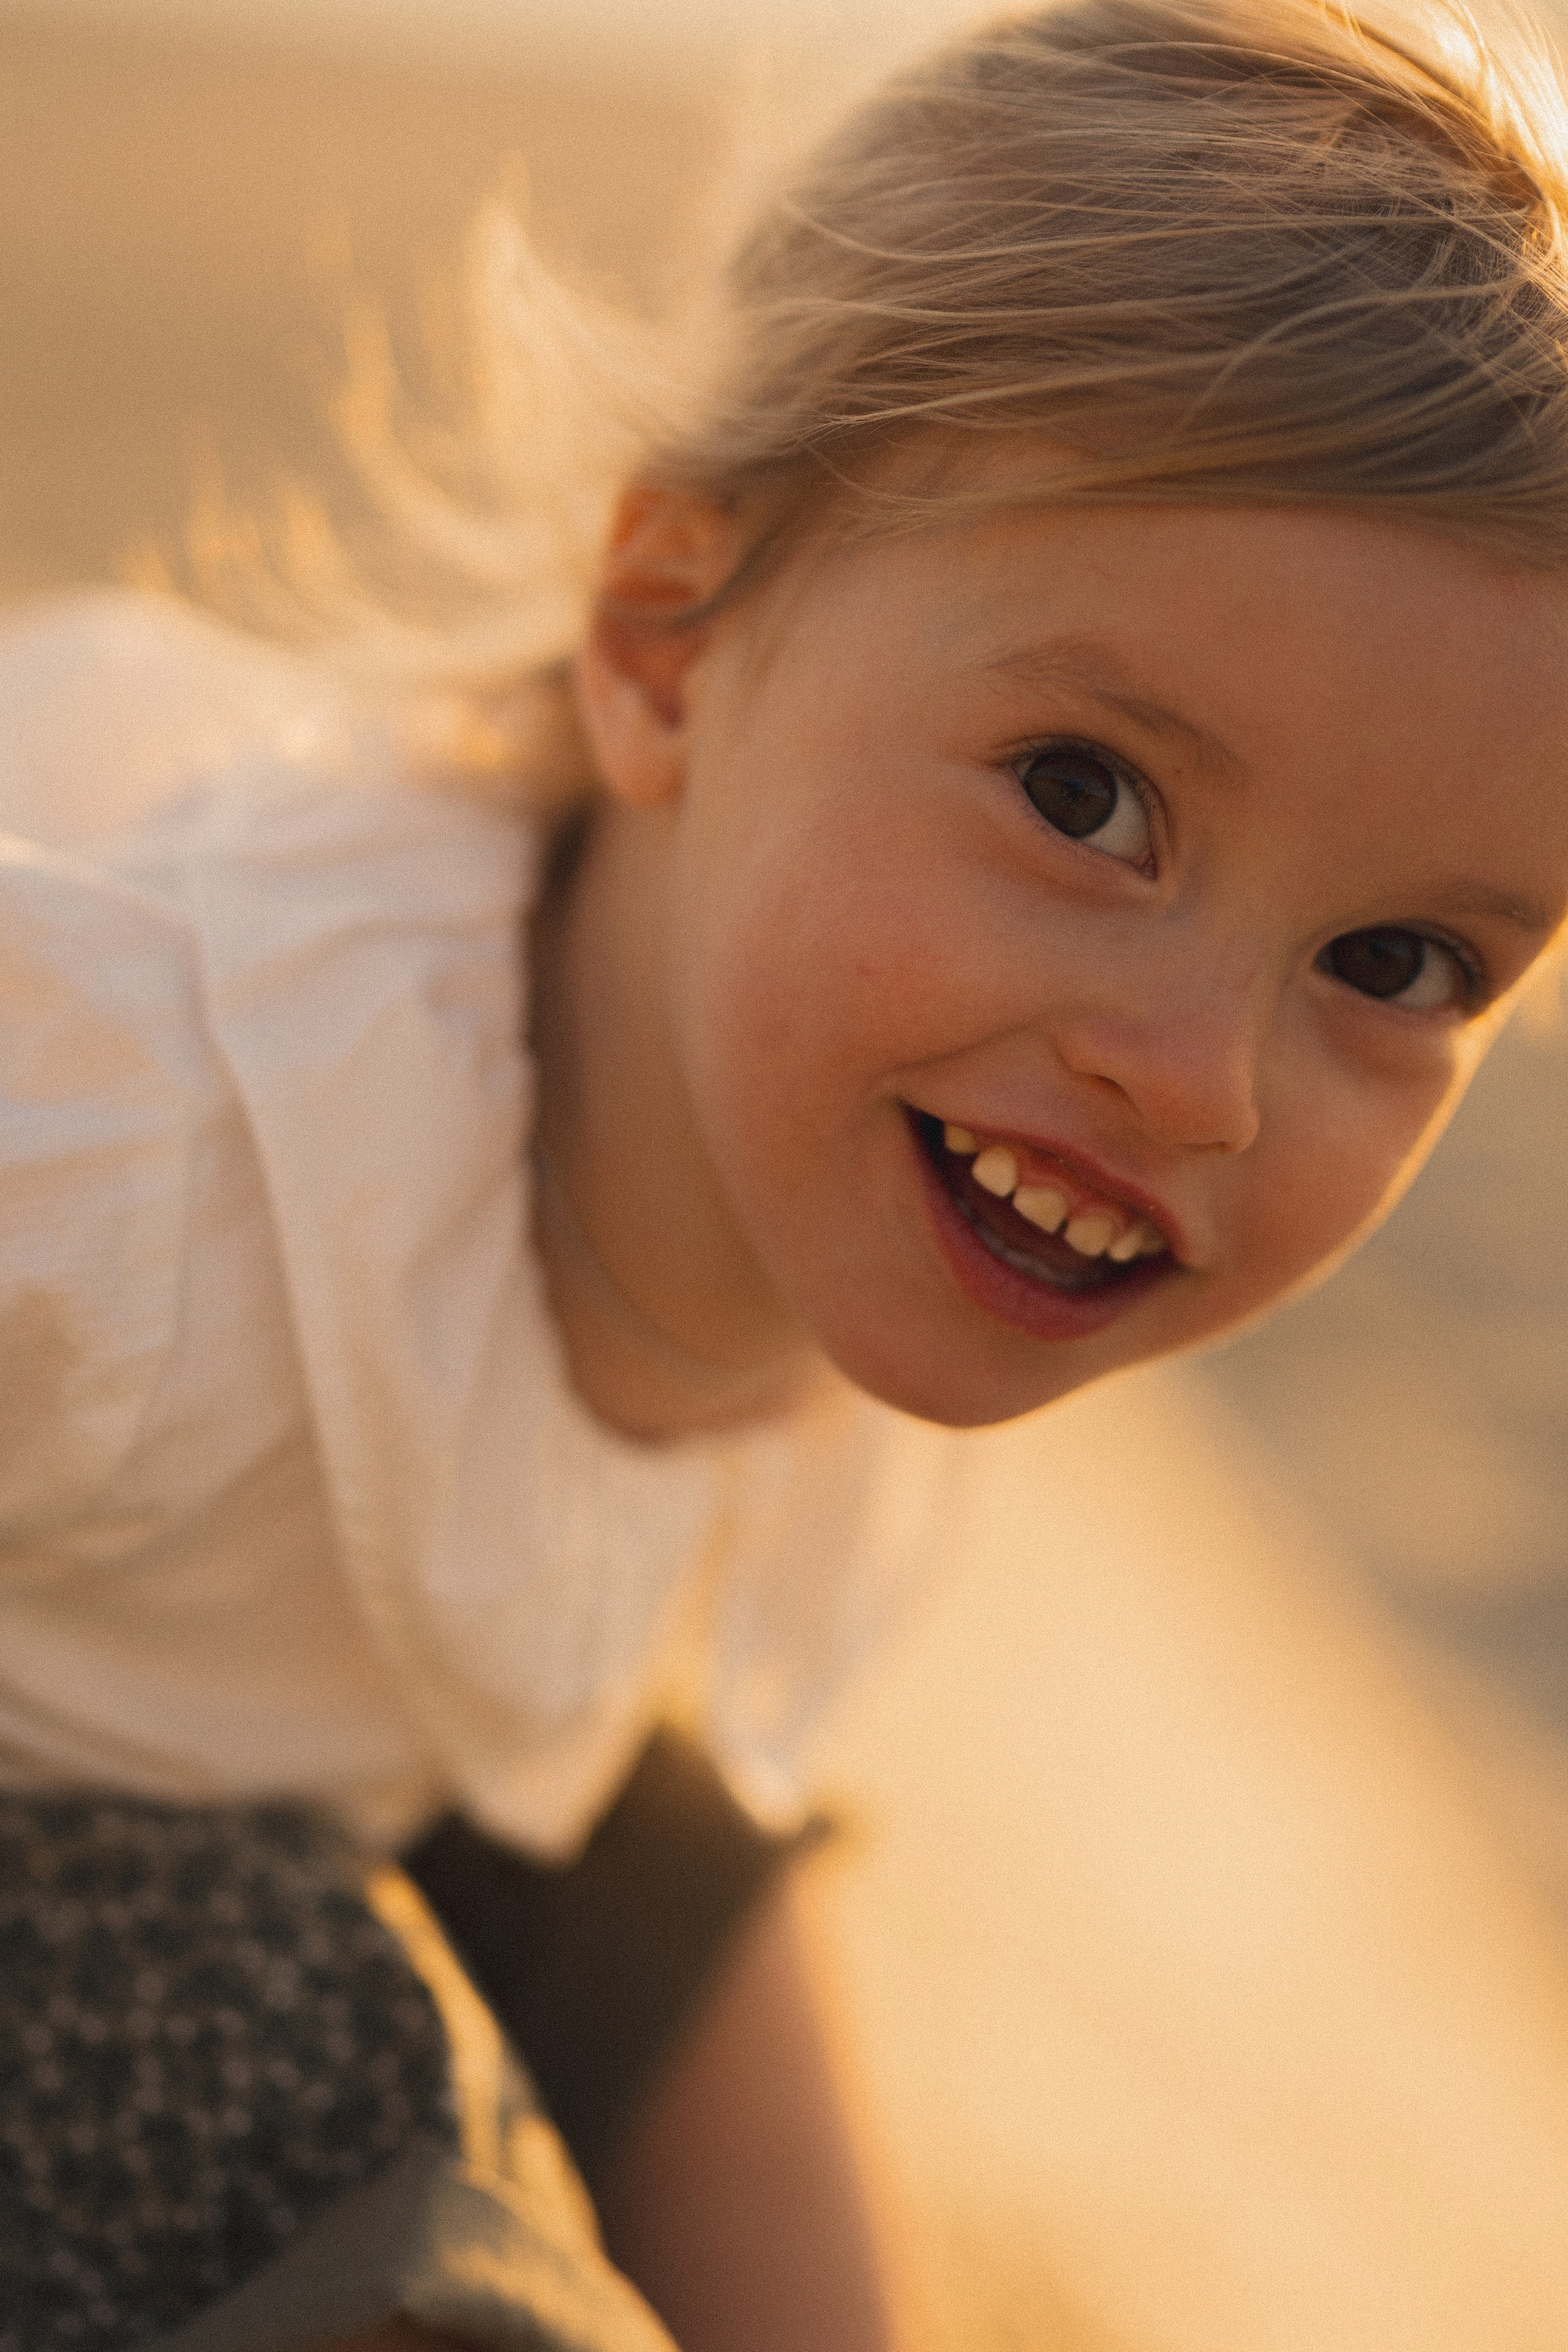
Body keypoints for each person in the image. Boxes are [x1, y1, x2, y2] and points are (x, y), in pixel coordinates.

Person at [7, 0, 1568, 2345]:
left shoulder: (812, 1249)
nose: (1202, 1082)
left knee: (661, 1880)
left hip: (281, 1727)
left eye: (1398, 956)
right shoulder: (142, 1170)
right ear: (666, 638)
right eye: (1082, 795)